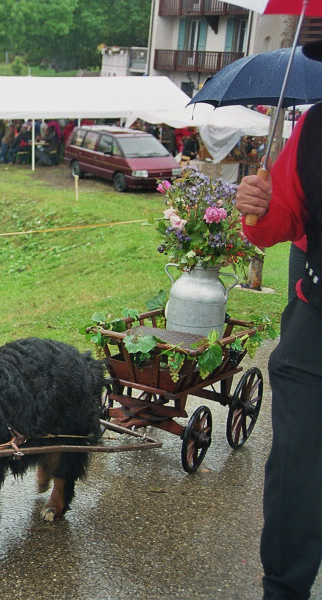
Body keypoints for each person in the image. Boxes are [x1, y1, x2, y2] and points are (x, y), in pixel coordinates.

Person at [234, 39, 322, 600]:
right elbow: (282, 222)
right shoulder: (314, 127)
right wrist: (258, 207)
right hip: (315, 324)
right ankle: (283, 590)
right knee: (296, 469)